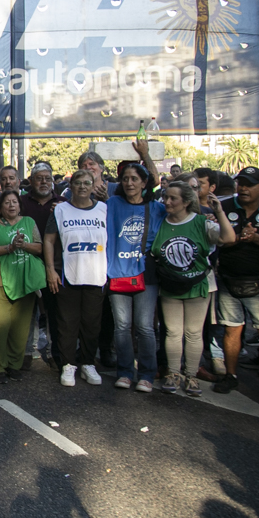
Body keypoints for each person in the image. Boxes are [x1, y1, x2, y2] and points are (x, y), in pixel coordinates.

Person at [154, 181, 234, 396]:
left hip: (198, 285)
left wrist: (219, 212)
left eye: (173, 198)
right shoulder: (160, 222)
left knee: (193, 332)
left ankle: (191, 375)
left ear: (187, 202)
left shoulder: (201, 222)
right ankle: (172, 374)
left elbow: (228, 238)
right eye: (165, 197)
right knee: (172, 332)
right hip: (170, 285)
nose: (167, 202)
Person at [214, 166, 259, 395]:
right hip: (228, 279)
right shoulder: (225, 206)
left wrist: (256, 238)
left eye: (249, 184)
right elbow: (218, 240)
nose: (243, 188)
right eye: (240, 183)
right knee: (232, 330)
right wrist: (237, 238)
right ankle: (230, 376)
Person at [44, 169, 108, 387]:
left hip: (96, 275)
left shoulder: (103, 210)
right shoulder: (60, 210)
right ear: (71, 187)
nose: (82, 186)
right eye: (78, 183)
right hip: (67, 275)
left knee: (92, 324)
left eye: (87, 183)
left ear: (93, 186)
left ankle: (88, 363)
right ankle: (68, 365)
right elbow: (49, 241)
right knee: (67, 324)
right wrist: (50, 270)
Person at [106, 164, 166, 392]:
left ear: (144, 182)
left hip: (145, 274)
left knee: (145, 327)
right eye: (125, 179)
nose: (129, 183)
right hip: (116, 271)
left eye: (134, 179)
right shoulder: (112, 205)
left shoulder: (157, 208)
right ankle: (124, 372)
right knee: (122, 326)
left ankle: (147, 374)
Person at [0, 191, 46, 384]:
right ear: (0, 208)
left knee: (20, 329)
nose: (11, 205)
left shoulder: (28, 222)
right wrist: (9, 248)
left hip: (25, 281)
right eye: (7, 203)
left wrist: (23, 245)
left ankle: (14, 365)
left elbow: (39, 247)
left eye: (14, 202)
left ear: (20, 205)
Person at [18, 162, 65, 368]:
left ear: (53, 181)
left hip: (54, 266)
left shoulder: (63, 203)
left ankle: (55, 353)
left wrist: (63, 212)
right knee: (27, 312)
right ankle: (26, 352)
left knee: (54, 314)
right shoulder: (20, 202)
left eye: (48, 178)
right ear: (31, 181)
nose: (44, 182)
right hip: (26, 264)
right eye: (39, 178)